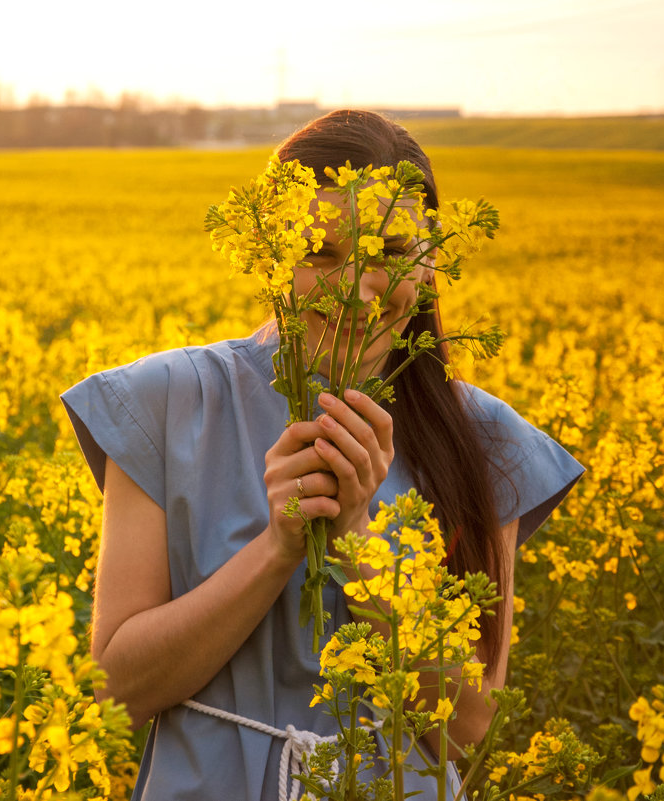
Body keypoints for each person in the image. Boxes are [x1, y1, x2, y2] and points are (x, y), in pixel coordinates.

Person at [60, 109, 584, 801]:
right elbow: (117, 691)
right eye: (321, 254)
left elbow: (466, 727)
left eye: (392, 252)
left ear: (431, 262)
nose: (357, 291)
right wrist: (279, 544)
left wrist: (358, 545)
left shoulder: (484, 440)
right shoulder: (162, 401)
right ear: (271, 254)